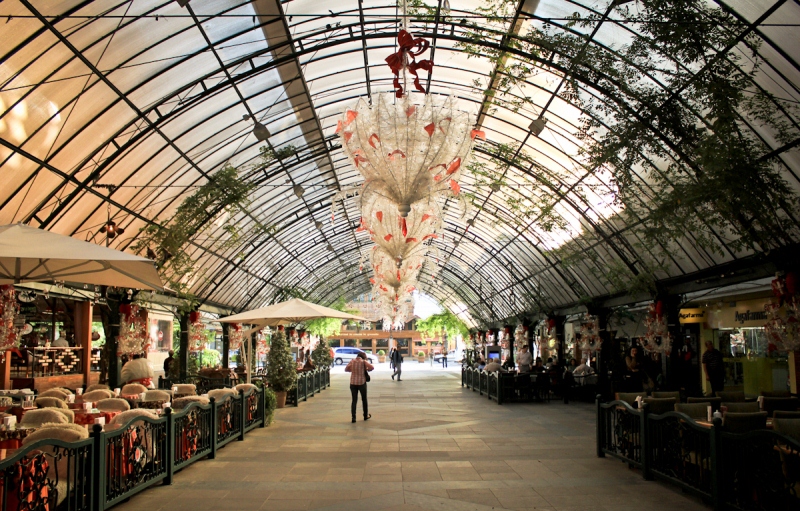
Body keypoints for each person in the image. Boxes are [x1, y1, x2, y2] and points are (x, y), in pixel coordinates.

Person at [345, 352, 374, 422]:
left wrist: (352, 370)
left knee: (354, 400)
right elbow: (372, 367)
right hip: (362, 383)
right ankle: (365, 415)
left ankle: (353, 417)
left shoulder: (352, 361)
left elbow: (346, 369)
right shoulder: (363, 362)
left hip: (353, 383)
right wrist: (366, 369)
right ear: (363, 357)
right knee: (364, 400)